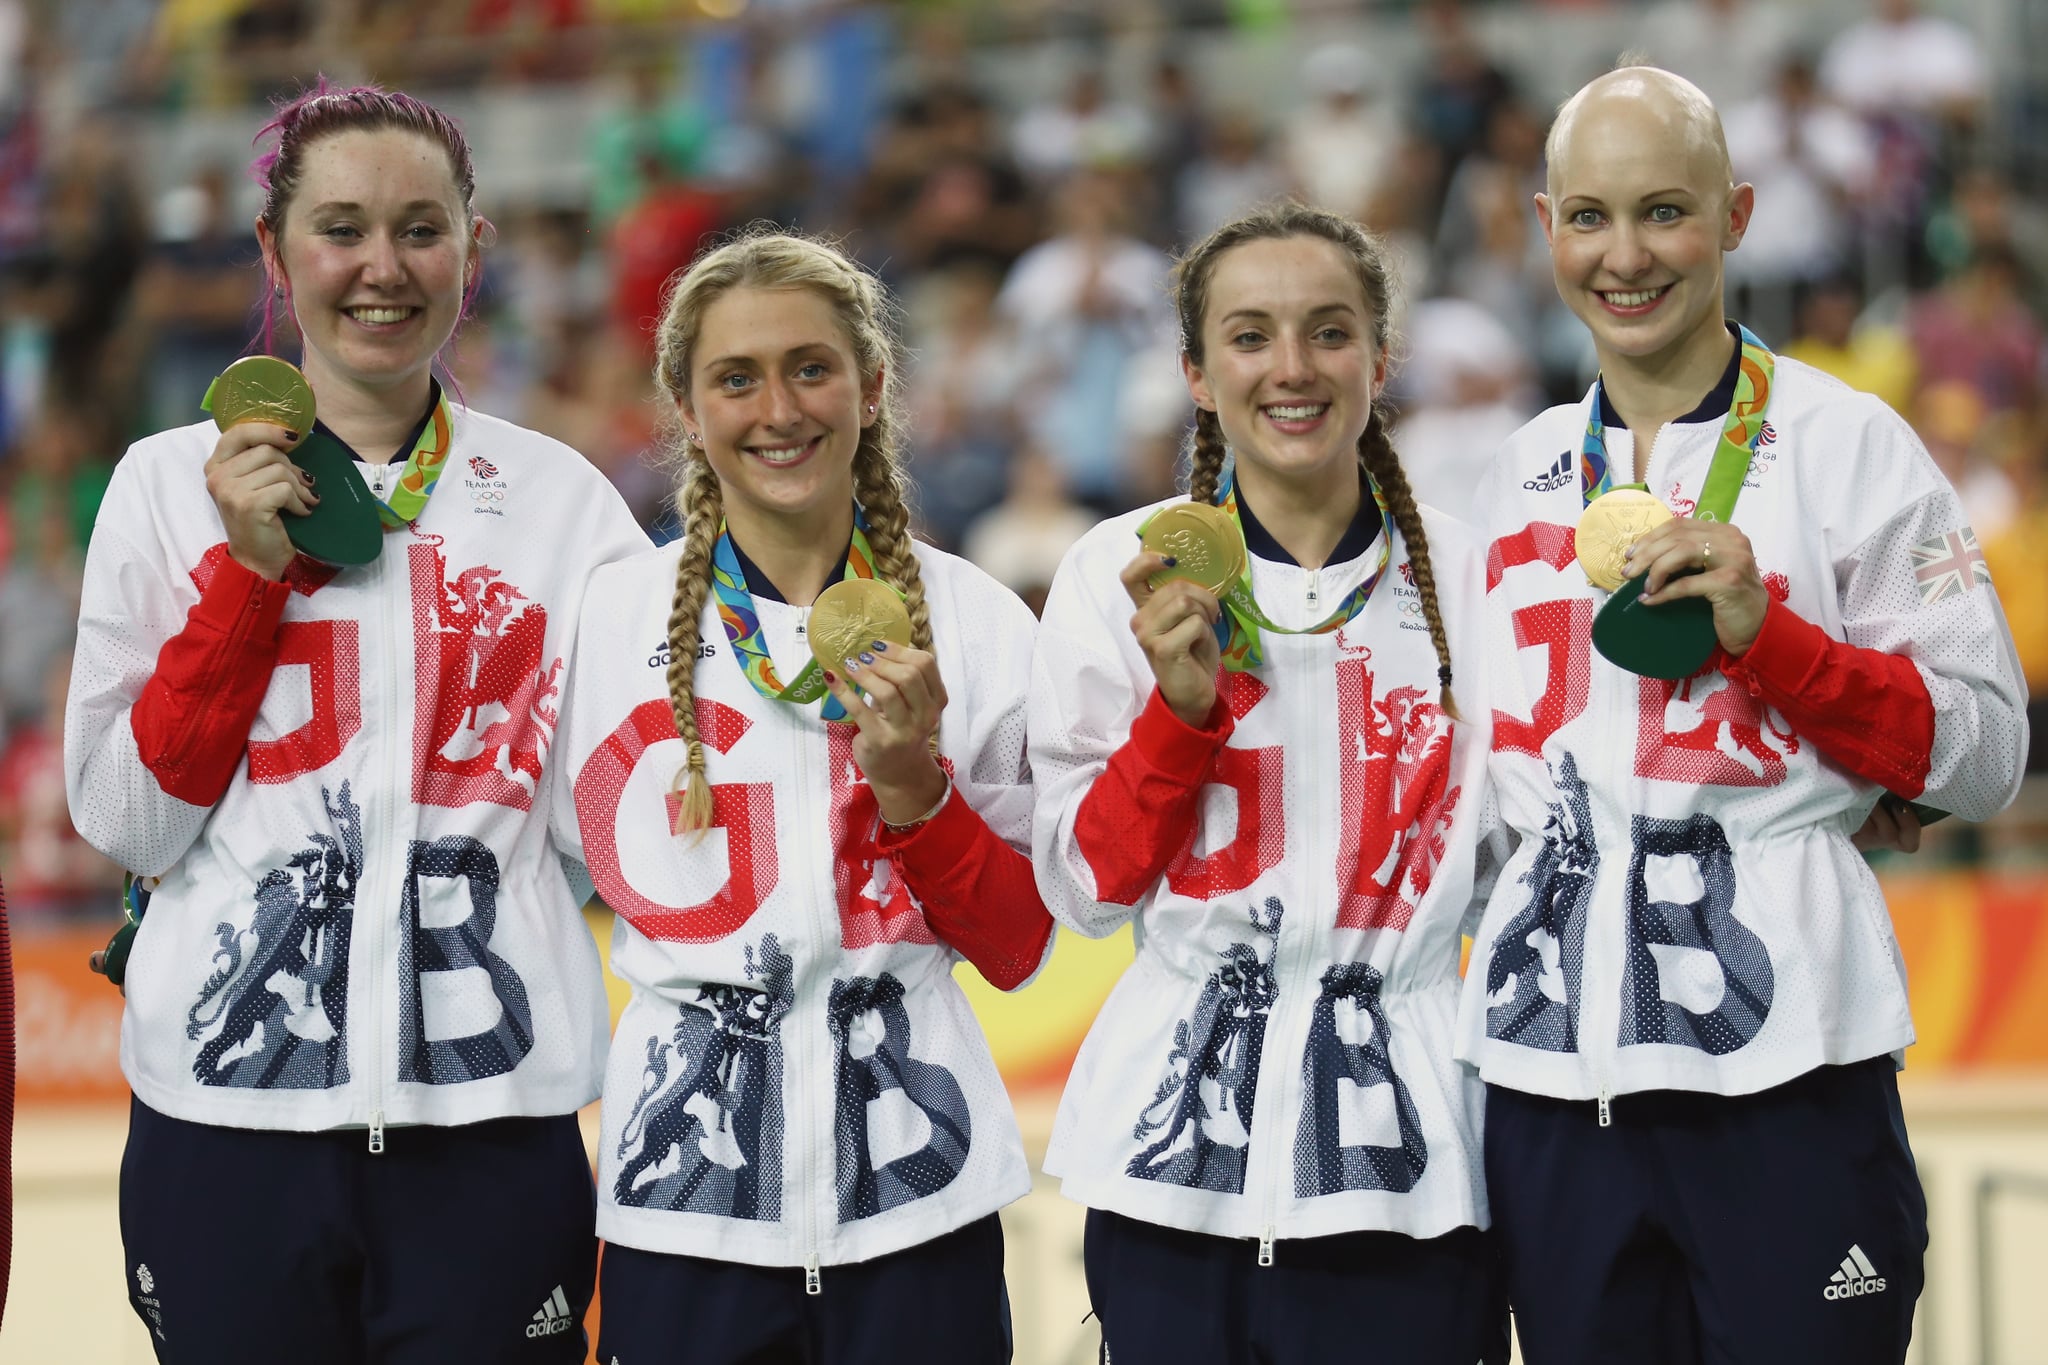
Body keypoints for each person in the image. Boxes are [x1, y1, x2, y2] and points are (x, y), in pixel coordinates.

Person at [63, 82, 649, 1362]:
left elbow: (619, 849)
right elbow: (125, 819)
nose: (382, 268)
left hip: (492, 1130)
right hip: (225, 1128)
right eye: (341, 228)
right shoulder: (164, 488)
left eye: (420, 229)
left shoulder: (563, 506)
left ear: (472, 253)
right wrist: (243, 576)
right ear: (274, 253)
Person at [1458, 67, 2029, 1365]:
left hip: (1790, 1068)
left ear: (1738, 216)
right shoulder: (1508, 469)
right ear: (1545, 227)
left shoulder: (1850, 443)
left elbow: (1991, 750)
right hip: (1554, 1081)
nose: (1625, 254)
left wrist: (1773, 643)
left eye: (1665, 210)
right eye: (1591, 216)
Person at [549, 230, 1054, 1363]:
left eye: (810, 369)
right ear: (685, 406)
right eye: (736, 378)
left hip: (923, 1194)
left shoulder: (975, 624)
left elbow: (1018, 946)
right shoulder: (600, 624)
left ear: (871, 388)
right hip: (681, 1201)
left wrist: (915, 794)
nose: (778, 408)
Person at [1029, 202, 1506, 1365]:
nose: (1290, 369)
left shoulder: (1475, 570)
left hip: (1409, 1166)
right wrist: (1176, 719)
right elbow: (1086, 888)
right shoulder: (1113, 571)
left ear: (1380, 360)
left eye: (1328, 332)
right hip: (1168, 1162)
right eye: (1248, 337)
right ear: (1194, 372)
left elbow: (1518, 878)